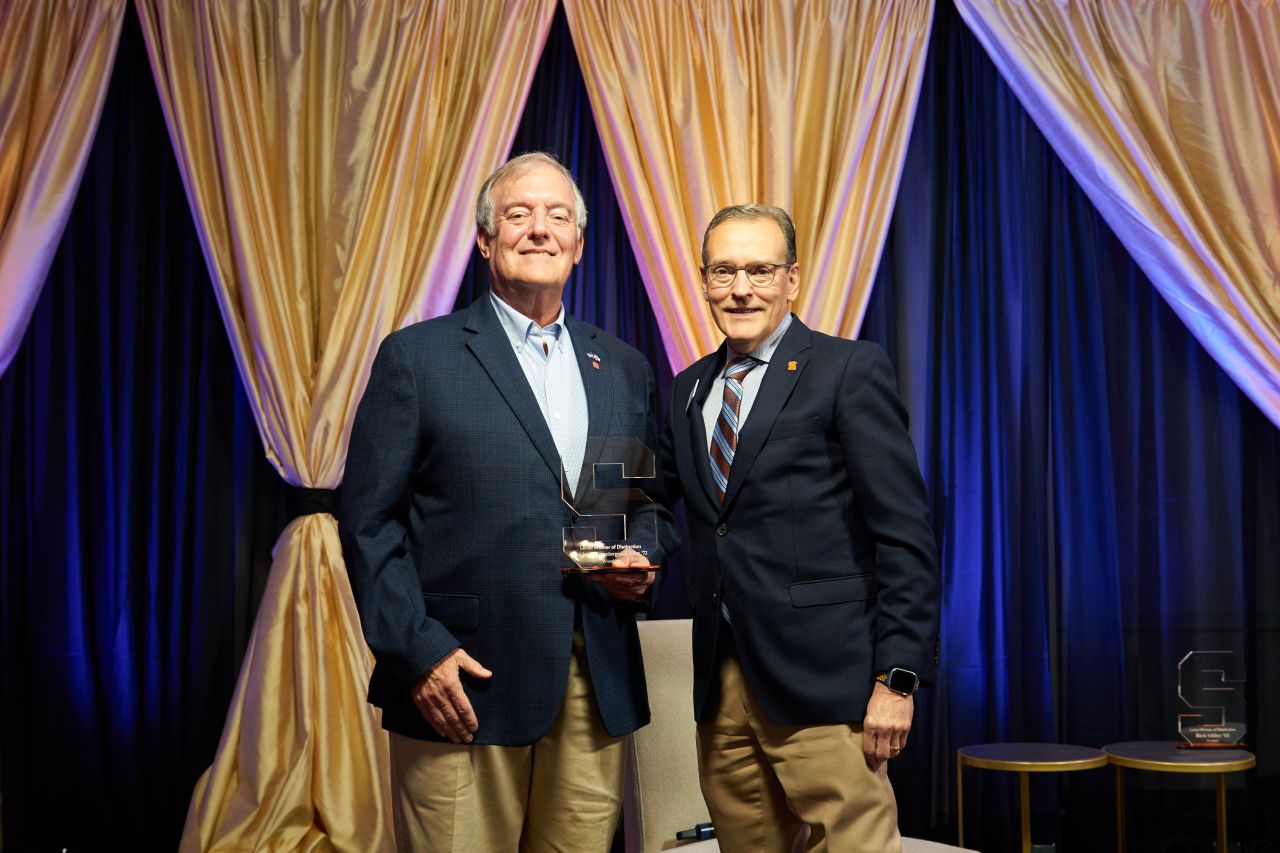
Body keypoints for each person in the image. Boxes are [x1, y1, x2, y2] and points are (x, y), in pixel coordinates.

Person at [340, 152, 677, 852]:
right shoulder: (416, 358)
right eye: (517, 214)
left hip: (594, 687)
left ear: (580, 244)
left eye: (558, 216)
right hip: (463, 684)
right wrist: (417, 653)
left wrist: (642, 550)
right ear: (486, 240)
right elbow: (370, 524)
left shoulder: (620, 366)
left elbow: (635, 499)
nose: (539, 229)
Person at [659, 204, 940, 851]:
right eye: (724, 270)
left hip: (827, 685)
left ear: (792, 278)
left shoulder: (848, 369)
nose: (741, 288)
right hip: (722, 684)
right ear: (702, 279)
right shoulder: (688, 390)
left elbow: (904, 535)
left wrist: (897, 678)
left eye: (759, 269)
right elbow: (665, 506)